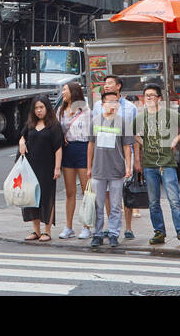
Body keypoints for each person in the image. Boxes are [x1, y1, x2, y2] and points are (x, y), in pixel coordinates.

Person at [134, 83, 180, 247]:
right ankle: (159, 232)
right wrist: (142, 143)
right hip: (149, 164)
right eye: (146, 95)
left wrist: (175, 139)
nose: (149, 98)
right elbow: (132, 134)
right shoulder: (140, 117)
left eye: (152, 95)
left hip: (167, 163)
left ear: (159, 98)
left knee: (174, 200)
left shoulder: (168, 114)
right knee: (153, 202)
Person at [87, 89, 134, 249]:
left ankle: (114, 234)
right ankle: (97, 234)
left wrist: (128, 166)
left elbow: (127, 147)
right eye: (109, 102)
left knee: (115, 205)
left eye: (115, 102)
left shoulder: (123, 123)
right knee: (98, 205)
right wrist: (89, 167)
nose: (112, 105)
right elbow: (91, 145)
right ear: (102, 104)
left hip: (117, 170)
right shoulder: (95, 121)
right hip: (98, 170)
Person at [93, 75, 138, 239]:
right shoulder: (97, 108)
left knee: (122, 196)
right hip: (101, 161)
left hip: (121, 159)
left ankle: (125, 228)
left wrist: (133, 162)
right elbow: (92, 141)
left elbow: (132, 139)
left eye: (110, 83)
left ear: (118, 86)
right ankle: (102, 230)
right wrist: (90, 165)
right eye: (105, 83)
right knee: (102, 198)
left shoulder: (130, 108)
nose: (106, 86)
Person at [17, 96, 64, 241]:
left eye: (41, 107)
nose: (39, 111)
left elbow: (58, 148)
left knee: (47, 198)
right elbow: (22, 136)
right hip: (31, 166)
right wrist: (22, 142)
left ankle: (47, 230)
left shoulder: (54, 125)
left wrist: (57, 167)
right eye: (36, 108)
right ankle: (36, 230)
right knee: (32, 197)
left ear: (47, 108)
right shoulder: (30, 123)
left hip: (47, 166)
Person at [57, 81, 92, 239]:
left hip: (83, 148)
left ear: (73, 91)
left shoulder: (85, 110)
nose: (63, 93)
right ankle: (69, 226)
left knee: (86, 191)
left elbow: (92, 134)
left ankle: (87, 226)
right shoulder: (61, 110)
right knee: (70, 191)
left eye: (65, 90)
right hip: (68, 149)